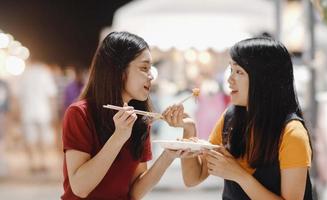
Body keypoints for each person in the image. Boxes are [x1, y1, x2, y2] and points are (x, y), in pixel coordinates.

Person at [164, 37, 313, 199]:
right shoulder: (230, 118)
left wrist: (238, 174)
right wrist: (189, 130)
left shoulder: (292, 133)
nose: (229, 80)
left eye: (239, 72)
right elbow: (193, 178)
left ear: (263, 79)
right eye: (231, 70)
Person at [61, 31, 181, 200]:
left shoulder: (140, 119)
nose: (151, 75)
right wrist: (119, 136)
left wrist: (169, 155)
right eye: (144, 68)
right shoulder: (80, 113)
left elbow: (135, 192)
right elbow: (80, 188)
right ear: (118, 71)